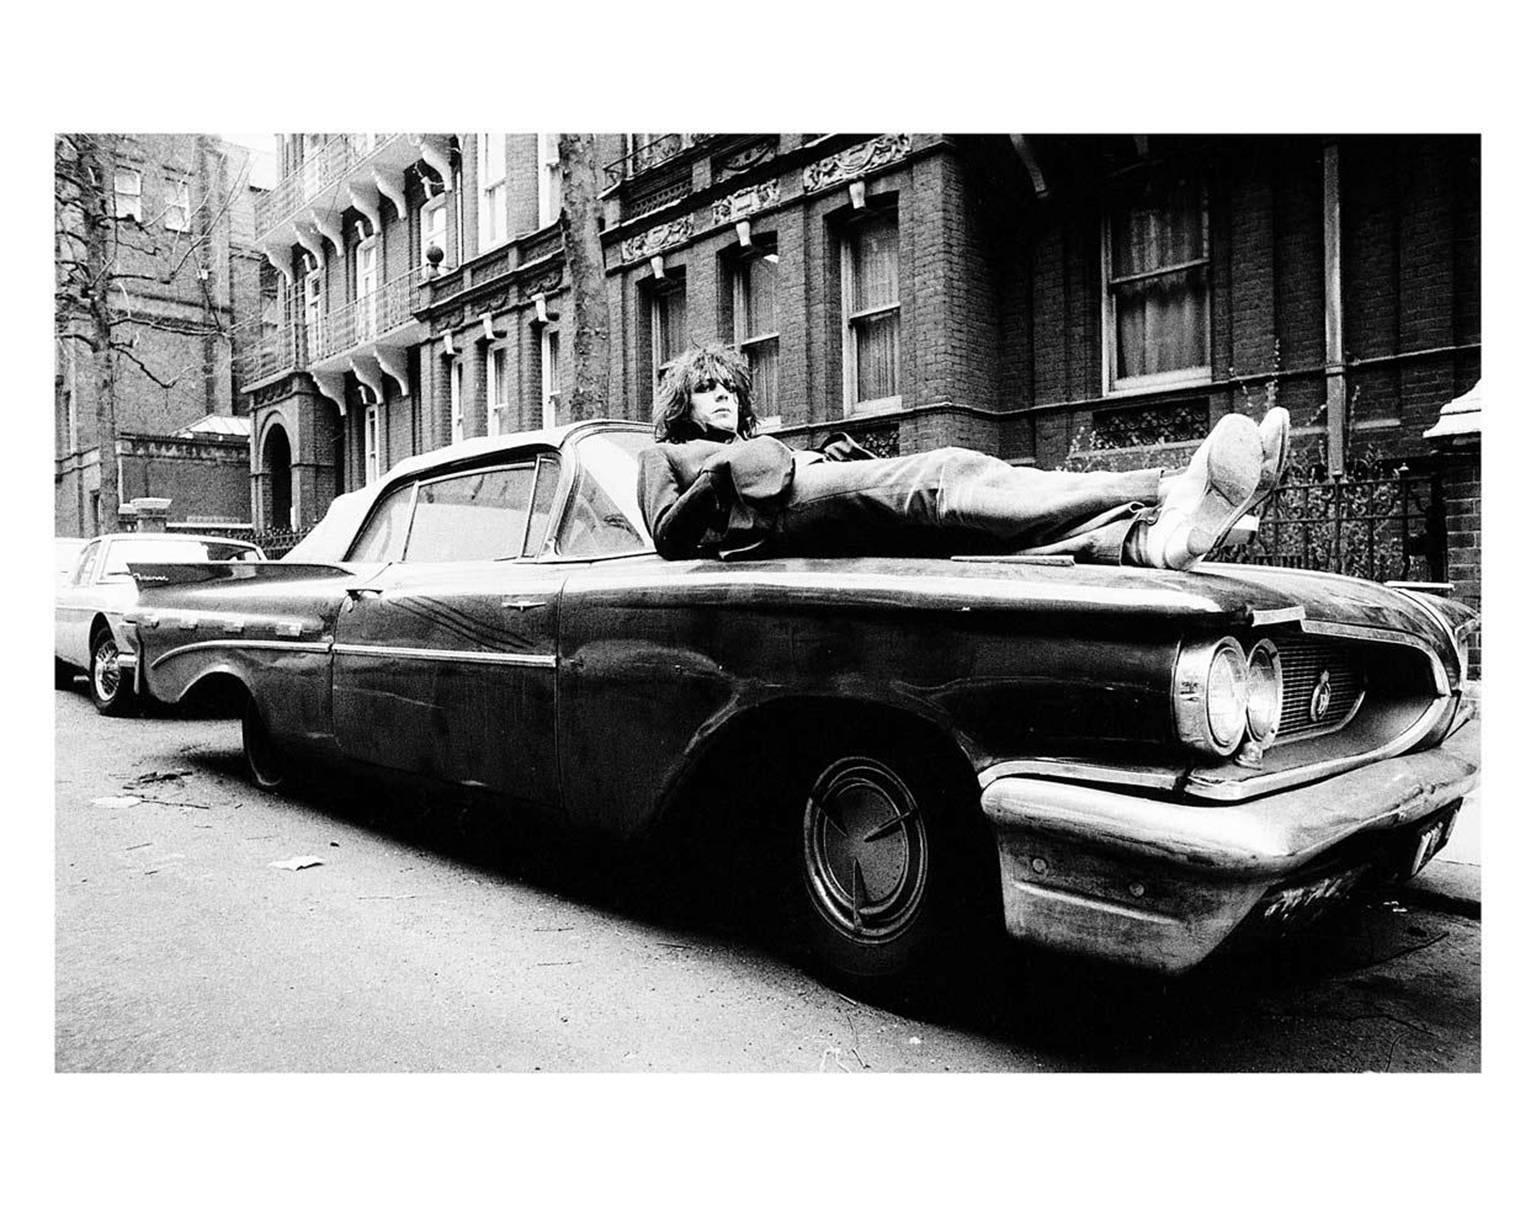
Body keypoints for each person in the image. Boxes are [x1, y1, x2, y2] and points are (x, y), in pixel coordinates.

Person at [636, 343, 1289, 569]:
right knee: (943, 474)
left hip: (804, 489)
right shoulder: (666, 453)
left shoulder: (755, 441)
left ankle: (1150, 540)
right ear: (683, 402)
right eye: (707, 390)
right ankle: (1169, 486)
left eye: (729, 388)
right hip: (771, 515)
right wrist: (718, 474)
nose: (721, 398)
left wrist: (823, 453)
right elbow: (668, 536)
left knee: (964, 528)